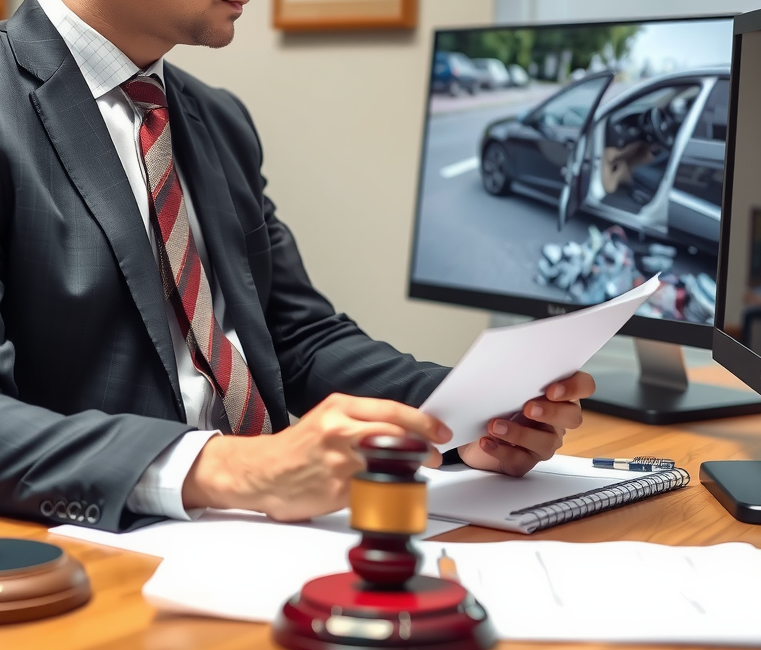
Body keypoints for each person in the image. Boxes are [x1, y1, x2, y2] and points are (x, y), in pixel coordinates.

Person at [0, 0, 595, 533]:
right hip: (101, 550)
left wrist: (468, 415)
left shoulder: (217, 119)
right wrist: (225, 466)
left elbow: (296, 336)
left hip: (275, 534)